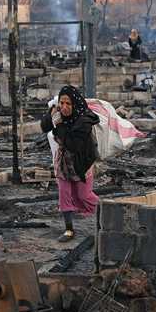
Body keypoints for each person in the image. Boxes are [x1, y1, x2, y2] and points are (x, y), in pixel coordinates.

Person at [41, 85, 100, 242]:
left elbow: (73, 145)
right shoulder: (58, 113)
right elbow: (44, 127)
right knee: (64, 194)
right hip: (63, 161)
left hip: (81, 162)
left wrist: (59, 124)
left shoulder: (84, 120)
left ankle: (108, 214)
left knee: (83, 195)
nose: (65, 107)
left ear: (75, 104)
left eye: (68, 104)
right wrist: (51, 114)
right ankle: (69, 229)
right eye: (62, 103)